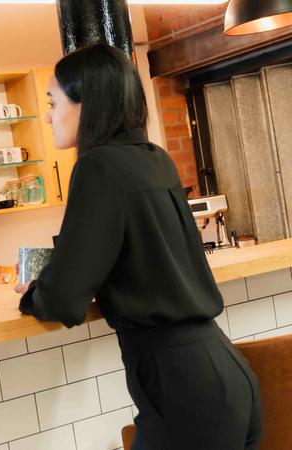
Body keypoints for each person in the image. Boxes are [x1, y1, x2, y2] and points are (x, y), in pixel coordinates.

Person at [15, 44, 262, 450]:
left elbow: (63, 300)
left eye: (52, 102)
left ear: (86, 104)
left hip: (181, 388)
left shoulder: (97, 167)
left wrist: (34, 294)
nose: (47, 115)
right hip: (223, 370)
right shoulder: (155, 158)